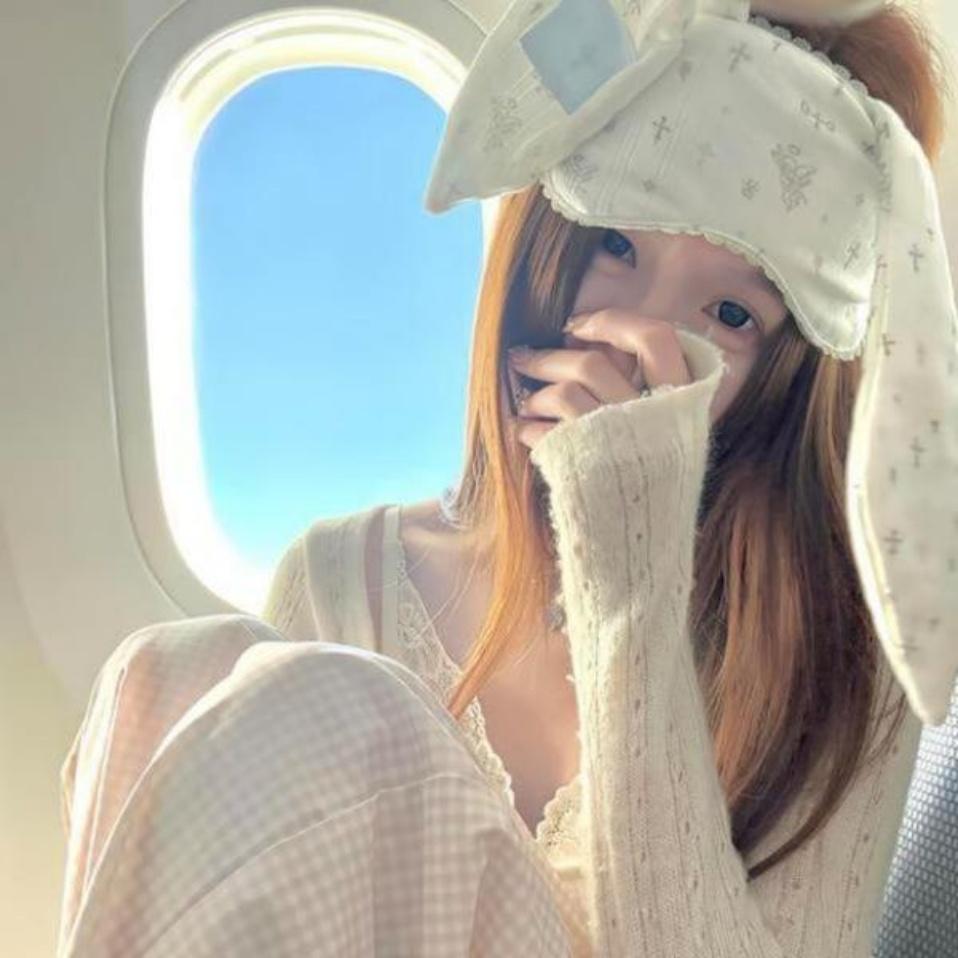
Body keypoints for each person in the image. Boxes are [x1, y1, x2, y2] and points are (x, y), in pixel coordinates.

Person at [56, 2, 956, 956]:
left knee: (315, 695)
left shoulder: (843, 656)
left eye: (730, 313)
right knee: (175, 669)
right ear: (546, 243)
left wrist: (629, 577)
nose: (639, 337)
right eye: (616, 245)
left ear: (779, 380)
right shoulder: (339, 578)